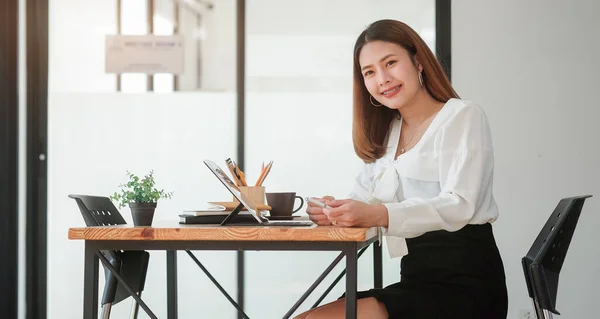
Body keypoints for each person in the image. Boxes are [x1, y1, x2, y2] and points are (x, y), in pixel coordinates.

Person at [295, 19, 508, 319]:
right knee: (305, 317)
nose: (382, 79)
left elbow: (460, 204)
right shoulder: (389, 133)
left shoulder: (462, 116)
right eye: (369, 72)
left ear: (418, 61)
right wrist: (334, 209)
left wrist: (379, 214)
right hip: (417, 282)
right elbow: (364, 197)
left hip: (465, 287)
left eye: (390, 63)